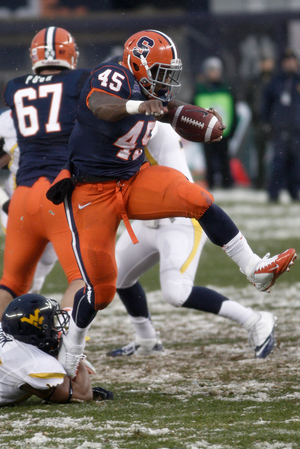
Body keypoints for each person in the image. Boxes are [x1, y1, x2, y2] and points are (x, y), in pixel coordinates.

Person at [46, 29, 296, 378]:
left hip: (133, 179)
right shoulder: (112, 76)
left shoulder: (153, 94)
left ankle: (255, 269)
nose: (167, 83)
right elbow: (99, 106)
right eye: (161, 74)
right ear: (137, 64)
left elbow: (172, 109)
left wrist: (204, 120)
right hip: (92, 191)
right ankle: (71, 352)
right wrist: (137, 105)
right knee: (100, 291)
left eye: (170, 74)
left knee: (198, 198)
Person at [106, 121, 277, 360]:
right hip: (147, 220)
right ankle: (147, 340)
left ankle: (255, 320)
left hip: (180, 219)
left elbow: (125, 132)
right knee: (116, 276)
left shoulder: (145, 123)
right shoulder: (131, 117)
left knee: (176, 292)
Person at [0, 26, 90, 331]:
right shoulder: (80, 82)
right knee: (81, 280)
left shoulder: (15, 87)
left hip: (21, 197)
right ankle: (69, 352)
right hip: (57, 194)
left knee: (10, 284)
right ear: (70, 54)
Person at [0, 293, 112, 406]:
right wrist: (77, 357)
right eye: (50, 323)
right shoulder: (32, 363)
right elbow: (83, 394)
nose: (54, 328)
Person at [0, 111, 58, 301]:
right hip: (21, 204)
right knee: (19, 275)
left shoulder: (70, 114)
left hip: (58, 203)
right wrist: (4, 202)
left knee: (49, 259)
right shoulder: (12, 122)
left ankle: (33, 296)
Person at [262, 48, 300, 202]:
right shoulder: (275, 82)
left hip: (297, 129)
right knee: (279, 161)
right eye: (287, 61)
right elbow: (266, 104)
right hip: (280, 128)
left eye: (292, 61)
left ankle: (294, 191)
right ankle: (274, 193)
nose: (290, 64)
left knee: (296, 163)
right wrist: (266, 122)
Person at [193, 57, 236, 189]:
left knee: (224, 158)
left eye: (216, 70)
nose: (213, 74)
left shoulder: (226, 88)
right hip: (205, 130)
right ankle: (210, 182)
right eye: (211, 71)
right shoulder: (200, 89)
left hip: (224, 130)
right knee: (209, 159)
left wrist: (232, 128)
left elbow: (233, 110)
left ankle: (227, 183)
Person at [244, 55, 275, 189]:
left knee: (277, 154)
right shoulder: (255, 81)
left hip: (274, 122)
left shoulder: (276, 80)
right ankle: (260, 182)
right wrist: (256, 112)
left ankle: (276, 181)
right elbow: (249, 98)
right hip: (258, 121)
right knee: (258, 154)